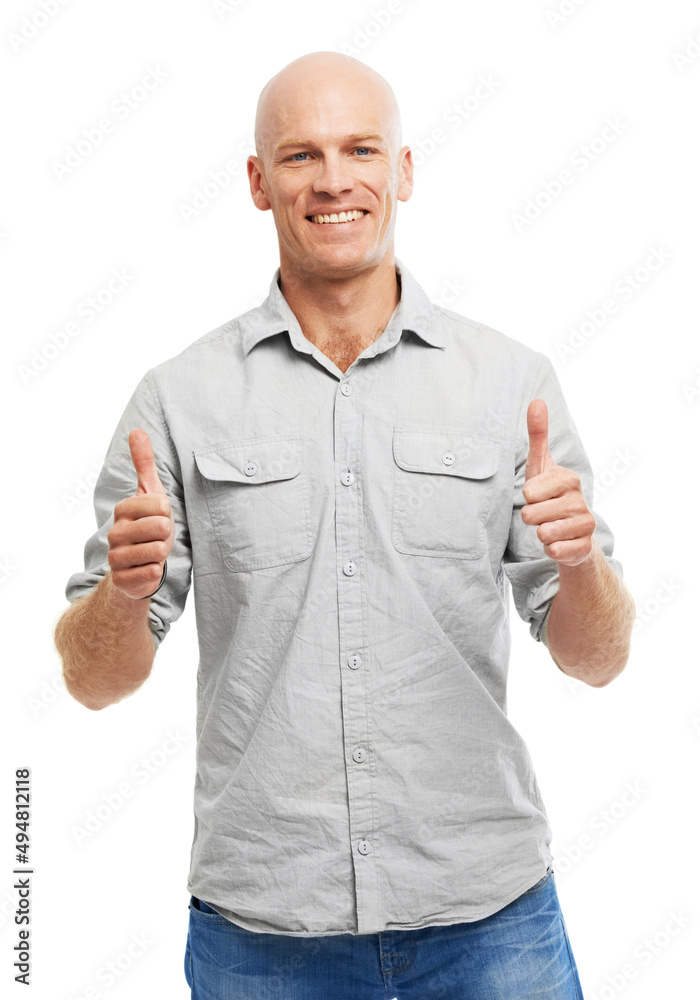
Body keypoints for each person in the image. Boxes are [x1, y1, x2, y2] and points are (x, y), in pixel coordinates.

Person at [54, 50, 636, 1000]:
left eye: (361, 148)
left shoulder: (511, 385)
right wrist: (122, 594)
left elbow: (597, 660)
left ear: (403, 170)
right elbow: (90, 681)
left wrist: (580, 569)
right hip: (263, 939)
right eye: (300, 155)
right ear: (257, 181)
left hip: (489, 924)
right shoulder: (177, 400)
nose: (334, 179)